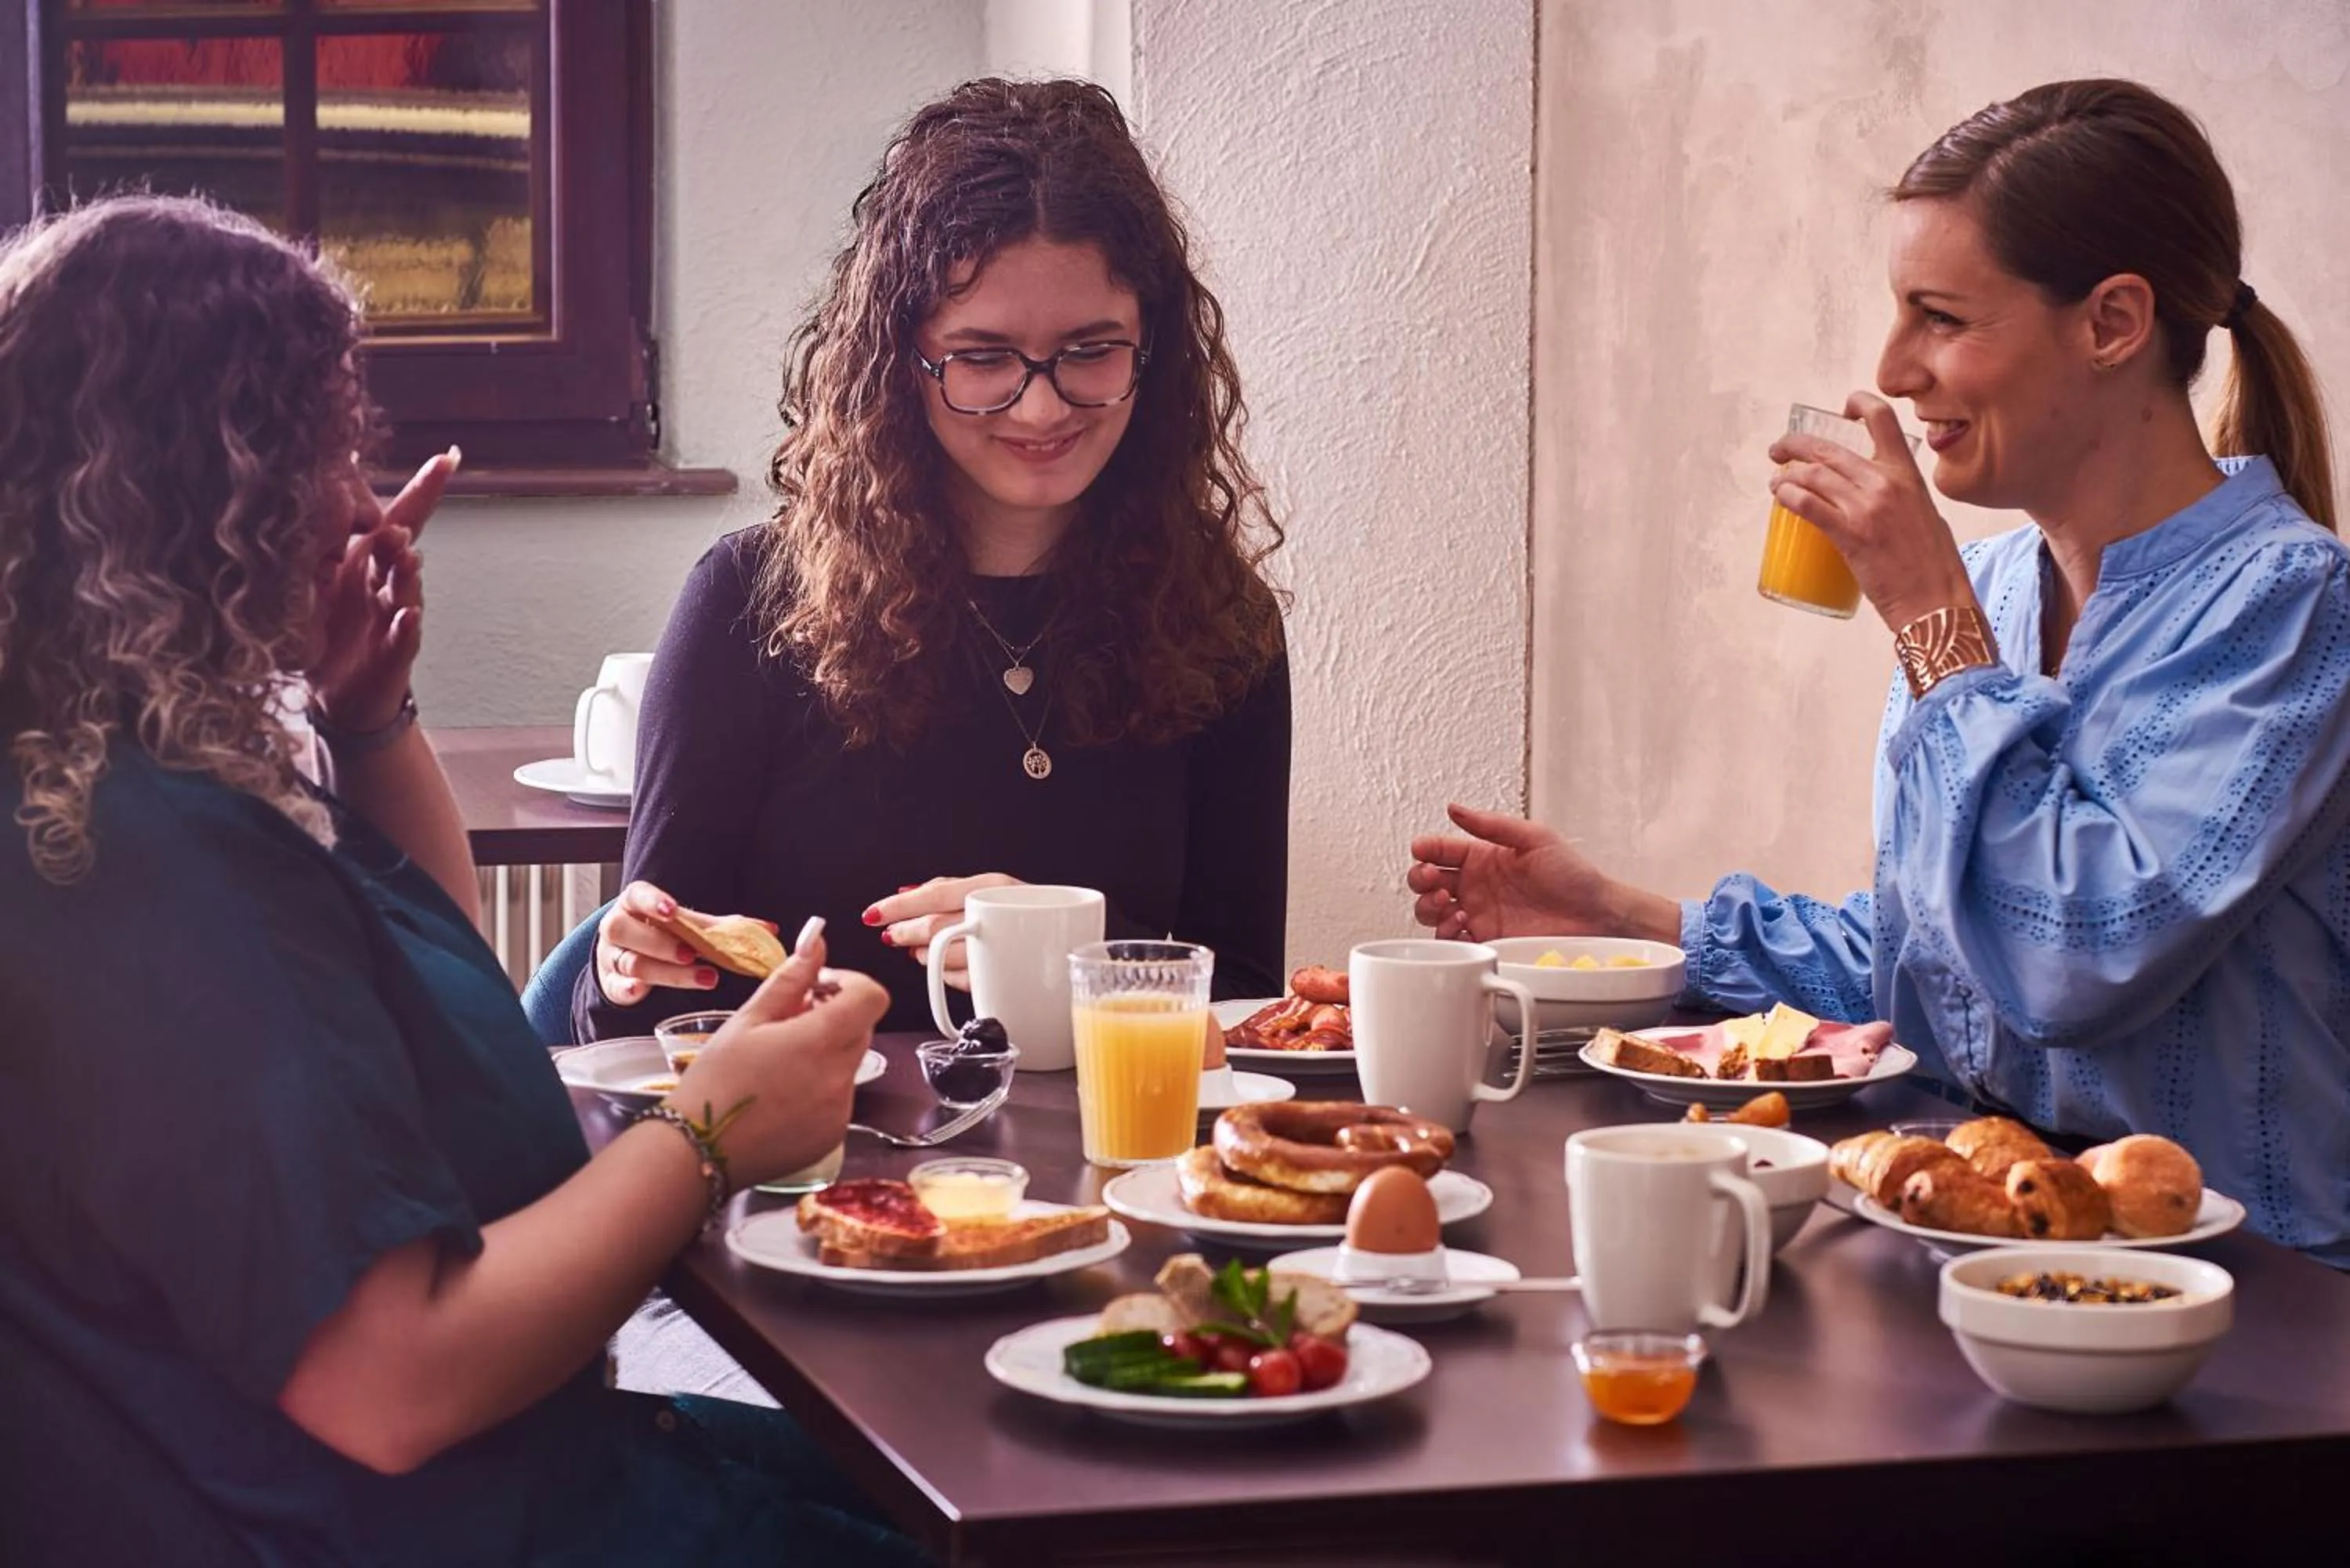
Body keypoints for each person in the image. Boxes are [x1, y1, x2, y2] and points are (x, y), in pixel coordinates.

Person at [0, 197, 927, 1565]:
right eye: (323, 453)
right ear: (212, 491)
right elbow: (395, 1383)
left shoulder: (118, 776)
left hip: (546, 1468)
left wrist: (368, 718)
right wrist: (716, 1127)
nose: (358, 505)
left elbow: (435, 985)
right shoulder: (146, 865)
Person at [1409, 79, 2350, 1266]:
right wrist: (1627, 921)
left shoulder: (2290, 604)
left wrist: (1928, 619)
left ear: (2112, 323)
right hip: (1995, 1270)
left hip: (2251, 1319)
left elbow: (2077, 957)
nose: (1894, 368)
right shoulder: (1994, 585)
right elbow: (1941, 965)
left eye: (1942, 318)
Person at [577, 78, 1290, 1042]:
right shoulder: (748, 603)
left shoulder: (1220, 625)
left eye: (1090, 351)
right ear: (898, 362)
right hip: (819, 1172)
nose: (1041, 409)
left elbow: (1248, 1003)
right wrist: (622, 965)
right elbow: (631, 1026)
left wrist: (1065, 946)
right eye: (983, 358)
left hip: (1114, 1173)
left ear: (1152, 353)